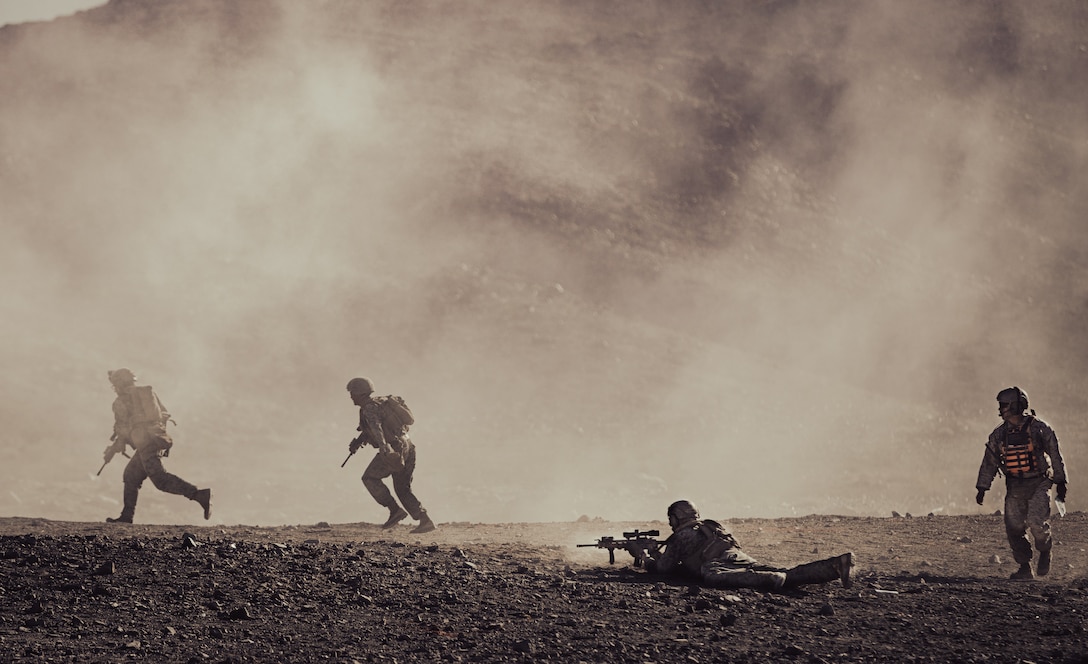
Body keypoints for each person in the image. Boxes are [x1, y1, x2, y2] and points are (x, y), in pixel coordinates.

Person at [643, 500, 854, 591]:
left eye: (672, 520)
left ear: (678, 517)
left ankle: (769, 579)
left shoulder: (684, 535)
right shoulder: (708, 526)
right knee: (789, 575)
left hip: (721, 563)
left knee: (711, 574)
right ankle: (836, 565)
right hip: (737, 557)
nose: (671, 525)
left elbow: (663, 568)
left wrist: (647, 558)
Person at [976, 386, 1068, 580]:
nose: (1001, 409)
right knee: (1014, 527)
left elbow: (1055, 454)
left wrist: (1061, 481)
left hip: (1039, 482)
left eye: (1005, 405)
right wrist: (982, 487)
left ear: (1017, 406)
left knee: (1037, 522)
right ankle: (1025, 567)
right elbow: (989, 461)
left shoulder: (1040, 429)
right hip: (1015, 486)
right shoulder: (999, 435)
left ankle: (1045, 550)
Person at [101, 368, 211, 523]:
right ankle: (127, 516)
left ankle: (199, 495)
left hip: (146, 443)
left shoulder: (121, 402)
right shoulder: (145, 393)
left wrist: (114, 448)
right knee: (131, 476)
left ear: (119, 384)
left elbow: (124, 429)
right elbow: (161, 416)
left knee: (161, 480)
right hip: (156, 439)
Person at [346, 377, 435, 534]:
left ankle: (395, 510)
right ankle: (425, 520)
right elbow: (375, 427)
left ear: (360, 393)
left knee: (369, 478)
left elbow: (376, 427)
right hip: (407, 446)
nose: (351, 396)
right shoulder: (380, 403)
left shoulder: (368, 408)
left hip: (393, 449)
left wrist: (383, 446)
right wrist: (358, 442)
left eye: (352, 392)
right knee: (402, 487)